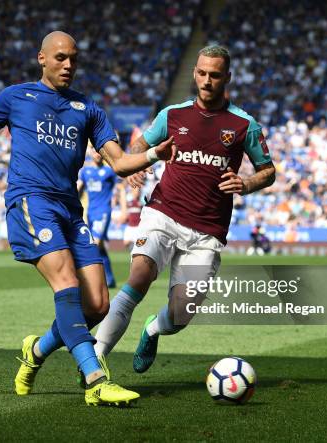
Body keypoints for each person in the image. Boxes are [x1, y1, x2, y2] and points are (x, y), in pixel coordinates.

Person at [0, 31, 175, 406]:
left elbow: (122, 162)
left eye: (73, 59)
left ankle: (36, 351)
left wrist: (156, 153)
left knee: (97, 304)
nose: (68, 65)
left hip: (69, 211)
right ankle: (95, 378)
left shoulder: (88, 110)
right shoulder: (16, 97)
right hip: (30, 201)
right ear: (41, 58)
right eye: (60, 57)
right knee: (65, 282)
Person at [93, 45, 276, 374]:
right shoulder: (172, 115)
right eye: (202, 73)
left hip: (207, 231)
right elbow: (139, 145)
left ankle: (152, 330)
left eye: (215, 75)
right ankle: (95, 359)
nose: (207, 81)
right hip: (163, 213)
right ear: (194, 73)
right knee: (138, 277)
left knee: (181, 314)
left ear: (227, 78)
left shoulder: (244, 125)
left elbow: (268, 170)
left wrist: (247, 184)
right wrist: (135, 164)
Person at [78, 146, 121, 288]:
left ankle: (94, 279)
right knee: (99, 247)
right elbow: (79, 188)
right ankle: (109, 278)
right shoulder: (85, 171)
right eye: (94, 150)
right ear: (90, 151)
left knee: (95, 244)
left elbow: (120, 186)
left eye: (99, 151)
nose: (97, 154)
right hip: (90, 213)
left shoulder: (109, 171)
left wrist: (119, 203)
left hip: (104, 212)